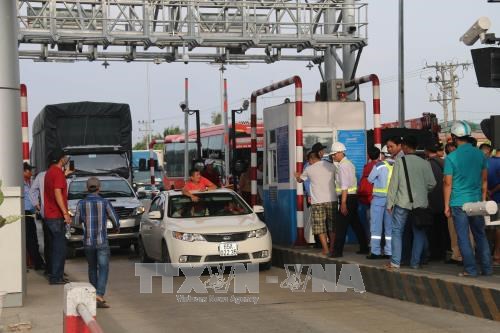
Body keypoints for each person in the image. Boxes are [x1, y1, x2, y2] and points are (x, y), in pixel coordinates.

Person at [444, 121, 492, 277]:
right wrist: (482, 200)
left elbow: (447, 183)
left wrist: (446, 205)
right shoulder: (480, 154)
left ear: (453, 137)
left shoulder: (451, 157)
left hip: (458, 203)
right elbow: (484, 180)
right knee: (480, 234)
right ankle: (487, 268)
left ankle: (471, 270)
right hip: (476, 201)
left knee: (463, 237)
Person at [385, 136, 436, 271]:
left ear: (405, 147)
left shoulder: (400, 162)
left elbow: (393, 184)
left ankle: (395, 262)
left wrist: (389, 203)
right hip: (420, 204)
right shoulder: (425, 162)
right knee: (419, 233)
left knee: (397, 231)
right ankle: (415, 263)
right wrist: (422, 191)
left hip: (402, 202)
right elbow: (432, 184)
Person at [75, 177, 120, 308]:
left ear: (87, 188)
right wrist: (116, 227)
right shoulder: (104, 202)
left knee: (92, 268)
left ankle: (93, 294)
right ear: (99, 188)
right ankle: (99, 295)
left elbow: (76, 222)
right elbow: (115, 219)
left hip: (88, 242)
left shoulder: (81, 203)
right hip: (102, 241)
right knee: (104, 268)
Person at [330, 142, 369, 258]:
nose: (333, 156)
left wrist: (343, 203)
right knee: (356, 224)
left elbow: (344, 186)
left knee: (340, 226)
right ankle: (364, 247)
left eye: (334, 154)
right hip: (352, 198)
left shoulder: (343, 166)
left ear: (340, 152)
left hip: (346, 198)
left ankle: (337, 251)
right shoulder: (350, 164)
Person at [295, 151, 337, 256]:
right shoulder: (331, 166)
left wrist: (297, 175)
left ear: (311, 159)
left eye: (309, 160)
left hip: (317, 201)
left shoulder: (309, 169)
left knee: (320, 226)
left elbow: (300, 180)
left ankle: (325, 249)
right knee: (332, 226)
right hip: (332, 199)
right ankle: (332, 248)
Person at [44, 149, 71, 285]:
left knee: (54, 247)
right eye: (65, 158)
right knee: (60, 248)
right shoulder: (58, 173)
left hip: (49, 215)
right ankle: (56, 277)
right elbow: (57, 193)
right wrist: (65, 213)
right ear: (61, 159)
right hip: (56, 216)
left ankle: (57, 275)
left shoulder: (49, 172)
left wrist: (64, 175)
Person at [367, 147, 394, 259]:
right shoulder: (397, 165)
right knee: (390, 227)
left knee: (376, 226)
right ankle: (389, 251)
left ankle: (375, 252)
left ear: (382, 154)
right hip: (392, 200)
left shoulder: (379, 165)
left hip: (378, 199)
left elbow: (370, 179)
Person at [425, 143, 448, 261]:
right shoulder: (444, 163)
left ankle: (435, 253)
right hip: (444, 200)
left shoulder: (427, 164)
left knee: (432, 230)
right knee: (442, 229)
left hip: (432, 202)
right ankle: (442, 252)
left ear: (427, 151)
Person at [23, 162, 45, 270]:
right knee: (30, 239)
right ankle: (38, 262)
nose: (31, 172)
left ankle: (37, 262)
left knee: (34, 239)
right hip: (24, 213)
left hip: (31, 213)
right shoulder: (20, 183)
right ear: (23, 171)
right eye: (29, 170)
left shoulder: (30, 183)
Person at [29, 170, 50, 275]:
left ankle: (49, 269)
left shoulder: (41, 175)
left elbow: (32, 191)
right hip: (56, 215)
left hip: (45, 213)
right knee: (57, 244)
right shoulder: (58, 174)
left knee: (47, 242)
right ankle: (55, 270)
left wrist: (37, 205)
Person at [357, 146, 381, 240]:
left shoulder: (367, 167)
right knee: (379, 222)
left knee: (370, 222)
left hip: (367, 198)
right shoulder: (381, 166)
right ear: (379, 155)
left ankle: (371, 243)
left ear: (369, 156)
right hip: (378, 198)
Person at [487, 148, 500, 266]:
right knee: (498, 228)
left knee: (490, 228)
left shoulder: (488, 161)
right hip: (498, 199)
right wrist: (493, 191)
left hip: (488, 202)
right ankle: (497, 255)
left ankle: (489, 254)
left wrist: (488, 192)